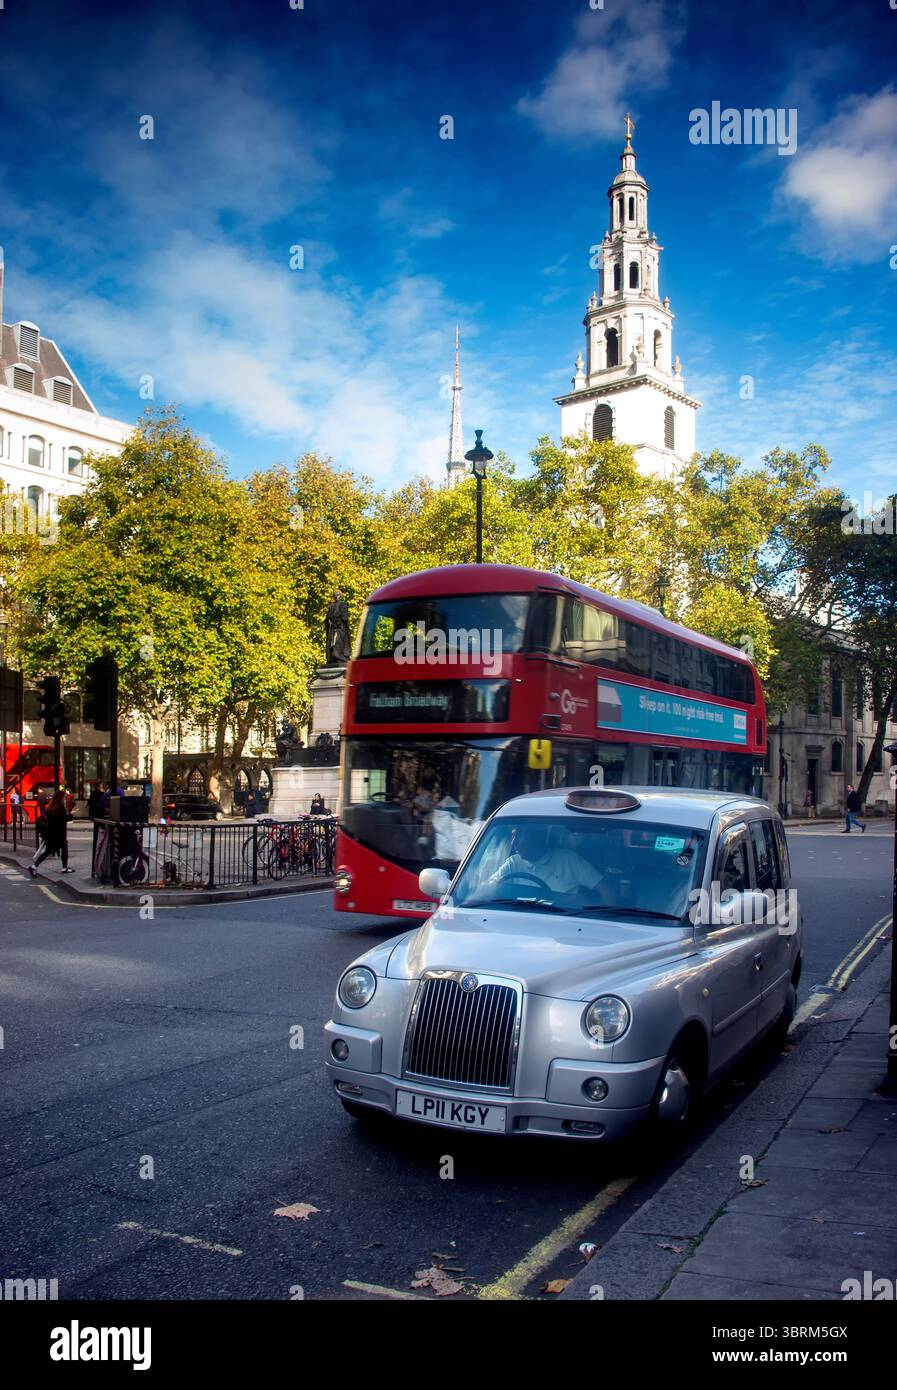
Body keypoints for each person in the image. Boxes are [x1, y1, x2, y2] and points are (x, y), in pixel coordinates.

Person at [486, 822, 602, 897]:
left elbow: (605, 890)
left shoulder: (568, 860)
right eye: (513, 836)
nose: (514, 843)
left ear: (537, 837)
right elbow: (488, 887)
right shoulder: (513, 863)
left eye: (520, 836)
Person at [29, 789, 74, 876]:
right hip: (59, 834)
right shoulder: (60, 808)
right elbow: (64, 820)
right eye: (64, 797)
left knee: (48, 851)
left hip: (50, 833)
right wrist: (71, 815)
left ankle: (34, 866)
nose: (65, 799)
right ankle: (64, 868)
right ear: (61, 798)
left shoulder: (50, 808)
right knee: (64, 848)